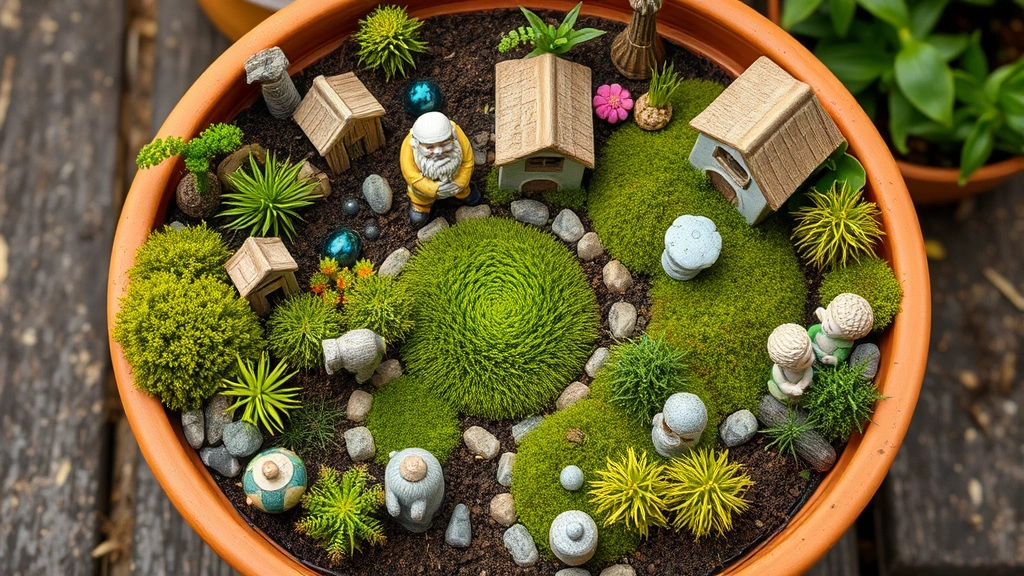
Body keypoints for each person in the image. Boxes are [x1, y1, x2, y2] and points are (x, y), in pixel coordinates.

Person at [399, 111, 480, 227]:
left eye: (444, 144)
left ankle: (465, 193)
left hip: (457, 181)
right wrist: (432, 188)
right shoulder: (409, 146)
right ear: (416, 143)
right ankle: (421, 206)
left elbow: (468, 161)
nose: (438, 151)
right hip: (424, 191)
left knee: (465, 190)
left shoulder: (457, 133)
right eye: (429, 147)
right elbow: (411, 175)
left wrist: (460, 182)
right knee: (421, 197)